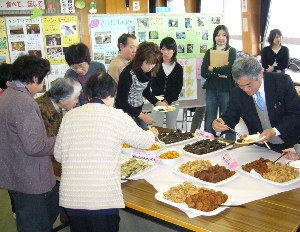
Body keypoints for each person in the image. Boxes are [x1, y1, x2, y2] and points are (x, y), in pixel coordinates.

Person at [54, 72, 158, 232]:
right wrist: (153, 133)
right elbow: (143, 141)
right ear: (112, 94)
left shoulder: (70, 116)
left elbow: (59, 156)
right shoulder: (117, 116)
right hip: (101, 198)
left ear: (88, 94)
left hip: (72, 198)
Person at [0, 55, 59, 232]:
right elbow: (35, 146)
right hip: (29, 177)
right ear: (34, 78)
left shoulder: (8, 95)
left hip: (15, 171)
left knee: (32, 219)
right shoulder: (24, 102)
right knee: (35, 225)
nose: (42, 86)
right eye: (42, 81)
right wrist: (62, 140)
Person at [212, 57, 300, 150]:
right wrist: (219, 124)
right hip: (261, 148)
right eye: (241, 85)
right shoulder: (236, 93)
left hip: (291, 145)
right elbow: (230, 117)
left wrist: (274, 131)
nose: (245, 89)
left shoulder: (281, 82)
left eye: (249, 85)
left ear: (260, 74)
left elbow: (296, 113)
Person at [36, 77, 81, 224]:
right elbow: (49, 141)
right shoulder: (43, 110)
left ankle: (65, 213)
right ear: (62, 99)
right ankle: (48, 222)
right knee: (58, 189)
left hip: (53, 156)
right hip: (42, 161)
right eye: (75, 98)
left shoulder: (53, 105)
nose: (76, 102)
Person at [115, 41, 168, 129]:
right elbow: (121, 102)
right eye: (148, 63)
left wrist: (157, 102)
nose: (150, 67)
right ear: (140, 59)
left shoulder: (148, 72)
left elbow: (146, 91)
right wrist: (142, 116)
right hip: (125, 114)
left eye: (153, 63)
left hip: (137, 111)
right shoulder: (127, 74)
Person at [201, 25, 237, 140]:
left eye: (224, 35)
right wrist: (221, 71)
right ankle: (207, 142)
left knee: (227, 117)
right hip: (211, 89)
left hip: (227, 90)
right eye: (218, 35)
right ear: (214, 37)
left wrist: (213, 69)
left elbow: (229, 70)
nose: (221, 38)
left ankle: (230, 143)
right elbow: (204, 72)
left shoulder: (232, 51)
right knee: (210, 117)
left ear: (227, 37)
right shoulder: (209, 52)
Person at [151, 37, 183, 129]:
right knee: (156, 126)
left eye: (169, 49)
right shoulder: (155, 65)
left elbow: (178, 87)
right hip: (157, 100)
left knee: (171, 127)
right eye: (163, 49)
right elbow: (153, 85)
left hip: (173, 101)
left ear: (174, 50)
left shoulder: (178, 68)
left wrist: (168, 100)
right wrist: (161, 100)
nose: (165, 52)